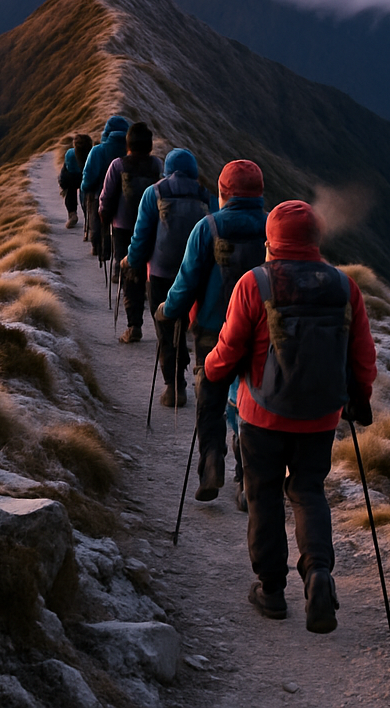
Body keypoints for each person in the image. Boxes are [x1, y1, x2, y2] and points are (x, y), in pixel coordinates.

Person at [204, 200, 377, 634]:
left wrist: (211, 370)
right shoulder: (345, 286)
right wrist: (359, 398)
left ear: (272, 239)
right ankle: (318, 572)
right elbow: (362, 355)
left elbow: (230, 347)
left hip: (262, 413)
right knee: (308, 490)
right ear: (316, 238)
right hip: (321, 415)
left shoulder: (254, 283)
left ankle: (272, 590)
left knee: (262, 493)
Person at [157, 160, 267, 499]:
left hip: (212, 328)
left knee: (210, 395)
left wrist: (169, 310)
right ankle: (246, 479)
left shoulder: (208, 227)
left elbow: (187, 280)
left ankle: (211, 463)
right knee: (252, 400)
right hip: (262, 333)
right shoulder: (272, 226)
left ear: (223, 192)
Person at [123, 148, 217, 402]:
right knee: (188, 325)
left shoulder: (154, 192)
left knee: (165, 327)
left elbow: (141, 235)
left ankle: (174, 387)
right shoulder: (205, 194)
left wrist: (132, 262)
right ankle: (200, 377)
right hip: (197, 274)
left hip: (160, 272)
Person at [99, 122, 163, 342]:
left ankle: (134, 325)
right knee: (152, 272)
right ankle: (162, 325)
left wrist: (104, 217)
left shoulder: (118, 165)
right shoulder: (157, 164)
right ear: (149, 145)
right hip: (152, 226)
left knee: (129, 273)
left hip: (123, 227)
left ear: (128, 144)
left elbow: (107, 196)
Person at [81, 115, 129, 261]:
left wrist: (85, 188)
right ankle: (120, 258)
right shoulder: (131, 151)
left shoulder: (98, 151)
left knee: (98, 223)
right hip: (128, 199)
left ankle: (99, 248)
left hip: (99, 196)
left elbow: (89, 177)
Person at [59, 133, 93, 229]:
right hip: (86, 177)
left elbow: (64, 170)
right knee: (86, 194)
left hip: (72, 178)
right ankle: (89, 218)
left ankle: (72, 213)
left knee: (70, 192)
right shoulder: (93, 153)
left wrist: (63, 184)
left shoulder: (70, 153)